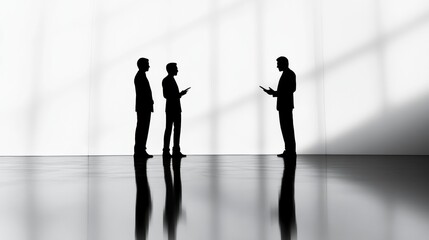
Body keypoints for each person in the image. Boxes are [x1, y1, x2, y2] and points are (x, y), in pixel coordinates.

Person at [261, 56, 296, 157]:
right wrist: (274, 93)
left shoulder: (289, 74)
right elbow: (287, 90)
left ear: (283, 63)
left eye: (278, 64)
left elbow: (291, 89)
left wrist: (275, 93)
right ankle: (289, 150)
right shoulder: (287, 74)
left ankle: (290, 151)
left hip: (286, 106)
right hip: (284, 106)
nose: (277, 66)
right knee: (286, 129)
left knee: (287, 129)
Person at [162, 63, 189, 157]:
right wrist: (180, 94)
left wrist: (180, 94)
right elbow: (166, 95)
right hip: (172, 108)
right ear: (171, 69)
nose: (177, 70)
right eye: (176, 68)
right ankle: (168, 151)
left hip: (174, 108)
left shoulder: (169, 80)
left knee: (174, 129)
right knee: (170, 129)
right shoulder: (167, 80)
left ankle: (173, 150)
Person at [134, 58, 154, 158]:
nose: (149, 66)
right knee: (142, 128)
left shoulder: (140, 76)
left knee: (142, 128)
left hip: (143, 106)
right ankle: (140, 150)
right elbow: (143, 93)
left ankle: (141, 150)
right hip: (143, 107)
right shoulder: (140, 76)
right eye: (147, 64)